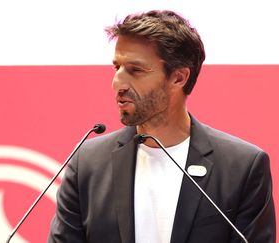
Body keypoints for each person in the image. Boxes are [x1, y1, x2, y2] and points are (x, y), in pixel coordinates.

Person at [47, 10, 275, 243]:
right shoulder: (87, 163)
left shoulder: (242, 167)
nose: (118, 83)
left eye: (135, 70)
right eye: (117, 68)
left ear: (178, 78)